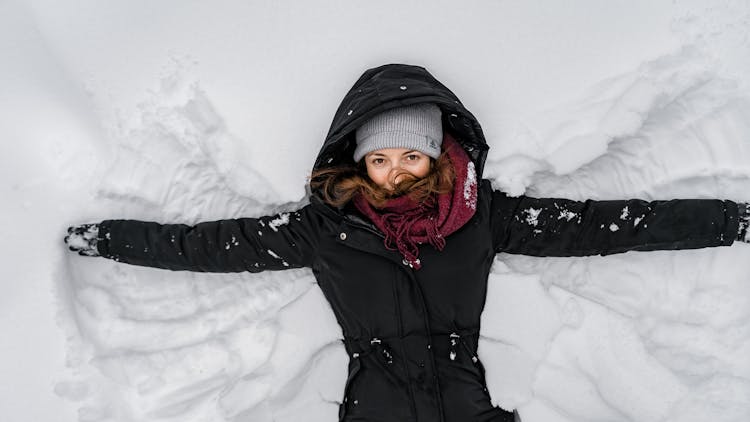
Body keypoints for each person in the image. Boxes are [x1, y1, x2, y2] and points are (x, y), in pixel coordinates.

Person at [65, 64, 750, 422]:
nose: (395, 173)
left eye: (411, 158)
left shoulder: (483, 218)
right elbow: (205, 247)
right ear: (357, 161)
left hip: (468, 404)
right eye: (380, 160)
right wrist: (108, 238)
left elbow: (608, 226)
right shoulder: (325, 228)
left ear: (438, 158)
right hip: (377, 409)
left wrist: (728, 221)